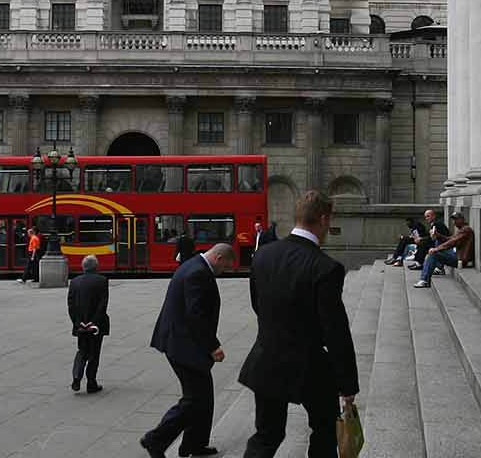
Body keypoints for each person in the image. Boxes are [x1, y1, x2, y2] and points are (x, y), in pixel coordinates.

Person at [239, 190, 359, 458]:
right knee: (324, 430)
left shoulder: (263, 255)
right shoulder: (326, 267)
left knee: (266, 435)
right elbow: (335, 331)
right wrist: (348, 384)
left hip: (267, 358)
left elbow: (258, 305)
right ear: (324, 219)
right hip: (309, 364)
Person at [141, 243, 234, 458]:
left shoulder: (193, 264)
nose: (224, 272)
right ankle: (156, 439)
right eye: (225, 267)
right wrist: (213, 346)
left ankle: (194, 445)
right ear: (219, 257)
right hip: (182, 344)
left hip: (181, 340)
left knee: (203, 397)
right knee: (195, 400)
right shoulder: (198, 273)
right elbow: (196, 315)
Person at [67, 254, 110, 394]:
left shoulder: (74, 282)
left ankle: (76, 377)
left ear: (83, 267)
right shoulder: (102, 281)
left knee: (82, 351)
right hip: (96, 325)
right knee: (94, 353)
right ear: (96, 266)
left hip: (80, 325)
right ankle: (91, 383)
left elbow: (71, 305)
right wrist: (94, 322)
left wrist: (78, 322)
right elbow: (102, 305)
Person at [414, 212, 474, 288]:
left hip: (460, 259)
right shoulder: (461, 229)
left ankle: (425, 279)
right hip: (456, 255)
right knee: (436, 245)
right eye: (453, 220)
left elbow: (452, 242)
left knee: (433, 254)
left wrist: (436, 249)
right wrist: (437, 234)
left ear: (462, 219)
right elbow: (448, 239)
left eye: (456, 220)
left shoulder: (466, 230)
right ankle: (438, 268)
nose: (454, 222)